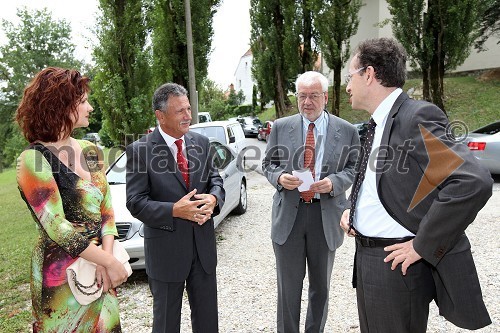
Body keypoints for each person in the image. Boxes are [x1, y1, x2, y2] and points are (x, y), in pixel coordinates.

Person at [340, 37, 492, 332]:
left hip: (397, 268)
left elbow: (472, 182)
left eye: (350, 76)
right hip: (369, 259)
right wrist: (353, 210)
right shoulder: (378, 124)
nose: (347, 86)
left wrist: (423, 245)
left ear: (369, 75)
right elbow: (385, 183)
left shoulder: (414, 117)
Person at [16, 67, 129, 332]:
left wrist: (106, 259)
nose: (90, 107)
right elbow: (58, 228)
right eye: (83, 102)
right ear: (60, 106)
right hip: (60, 280)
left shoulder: (92, 151)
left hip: (99, 268)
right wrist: (108, 261)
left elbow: (107, 213)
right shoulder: (32, 160)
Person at [262, 71, 360, 333]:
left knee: (321, 287)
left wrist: (335, 183)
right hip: (289, 218)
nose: (307, 102)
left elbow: (353, 168)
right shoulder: (281, 127)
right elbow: (267, 164)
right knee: (288, 288)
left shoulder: (347, 131)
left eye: (313, 96)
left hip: (325, 215)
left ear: (325, 97)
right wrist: (280, 177)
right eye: (302, 96)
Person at [126, 83, 225, 333]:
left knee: (207, 323)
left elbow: (216, 181)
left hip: (203, 251)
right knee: (167, 325)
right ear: (160, 116)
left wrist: (214, 199)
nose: (188, 116)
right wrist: (174, 210)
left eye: (189, 109)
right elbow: (135, 202)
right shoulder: (140, 151)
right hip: (166, 253)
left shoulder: (202, 143)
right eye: (180, 111)